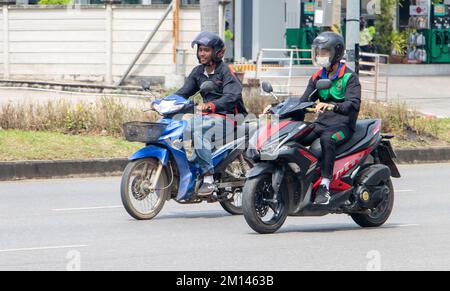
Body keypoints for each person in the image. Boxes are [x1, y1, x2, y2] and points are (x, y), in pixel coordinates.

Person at [175, 31, 247, 196]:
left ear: (217, 52)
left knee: (200, 132)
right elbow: (183, 92)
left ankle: (208, 178)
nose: (202, 53)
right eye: (200, 50)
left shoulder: (225, 71)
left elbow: (232, 96)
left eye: (206, 50)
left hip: (229, 117)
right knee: (183, 125)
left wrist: (211, 106)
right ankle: (190, 165)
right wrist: (165, 102)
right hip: (207, 117)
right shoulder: (198, 72)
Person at [300, 32, 362, 205]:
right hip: (322, 123)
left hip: (343, 126)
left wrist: (333, 106)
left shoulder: (350, 78)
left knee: (327, 140)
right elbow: (303, 101)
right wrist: (278, 110)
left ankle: (325, 186)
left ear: (337, 52)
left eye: (324, 52)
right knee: (298, 134)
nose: (320, 56)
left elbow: (353, 105)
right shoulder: (317, 76)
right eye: (318, 52)